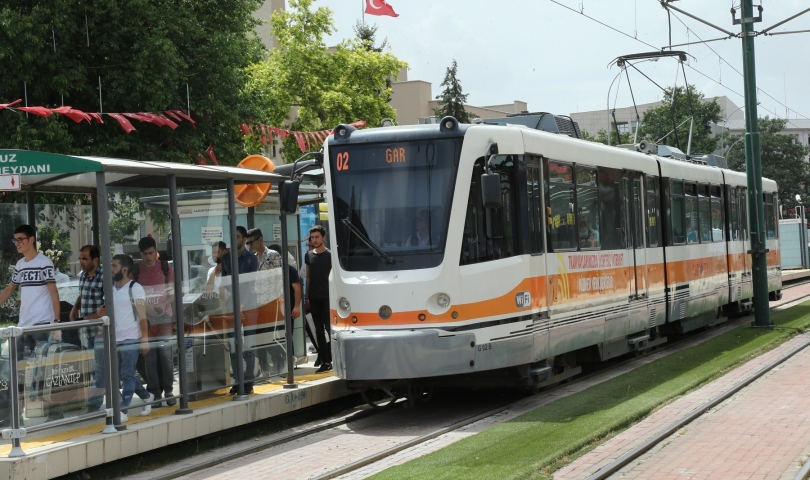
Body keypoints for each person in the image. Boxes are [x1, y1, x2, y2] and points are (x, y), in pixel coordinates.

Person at [0, 225, 61, 402]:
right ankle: (17, 408)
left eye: (21, 239)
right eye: (15, 240)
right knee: (14, 367)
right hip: (23, 325)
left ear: (31, 239)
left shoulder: (44, 263)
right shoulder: (20, 265)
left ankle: (49, 407)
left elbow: (54, 293)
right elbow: (9, 289)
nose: (17, 243)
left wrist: (57, 323)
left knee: (41, 369)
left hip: (42, 324)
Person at [97, 254, 153, 422]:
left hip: (131, 337)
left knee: (127, 374)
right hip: (115, 338)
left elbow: (143, 317)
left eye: (114, 266)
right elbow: (106, 312)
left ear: (125, 269)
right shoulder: (111, 289)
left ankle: (123, 410)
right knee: (122, 374)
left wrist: (145, 339)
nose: (110, 269)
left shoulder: (135, 288)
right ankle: (146, 396)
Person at [135, 237, 176, 406]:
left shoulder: (166, 268)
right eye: (145, 254)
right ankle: (156, 393)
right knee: (149, 358)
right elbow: (134, 295)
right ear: (141, 254)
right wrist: (148, 309)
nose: (148, 257)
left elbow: (172, 293)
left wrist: (164, 303)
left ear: (156, 251)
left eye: (151, 253)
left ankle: (169, 390)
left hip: (164, 315)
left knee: (166, 355)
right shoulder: (136, 270)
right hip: (146, 318)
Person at [69, 245, 106, 411]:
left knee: (100, 370)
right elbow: (83, 293)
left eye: (84, 258)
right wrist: (75, 307)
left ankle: (95, 404)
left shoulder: (105, 276)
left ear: (95, 260)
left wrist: (85, 319)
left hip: (100, 331)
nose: (81, 262)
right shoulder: (83, 276)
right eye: (80, 258)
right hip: (87, 332)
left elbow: (105, 310)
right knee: (93, 368)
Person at [221, 226, 258, 394]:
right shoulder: (227, 258)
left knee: (249, 344)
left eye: (236, 236)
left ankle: (249, 381)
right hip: (231, 306)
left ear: (244, 239)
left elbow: (251, 284)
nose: (233, 239)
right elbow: (224, 281)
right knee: (233, 344)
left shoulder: (252, 258)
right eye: (232, 236)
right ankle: (237, 380)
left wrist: (241, 304)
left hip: (249, 305)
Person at [305, 225, 332, 373]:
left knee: (330, 328)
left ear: (323, 238)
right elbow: (308, 276)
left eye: (317, 237)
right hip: (314, 297)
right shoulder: (309, 255)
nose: (314, 240)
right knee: (319, 331)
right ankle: (326, 361)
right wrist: (307, 296)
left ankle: (333, 357)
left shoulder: (330, 255)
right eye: (312, 237)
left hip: (328, 296)